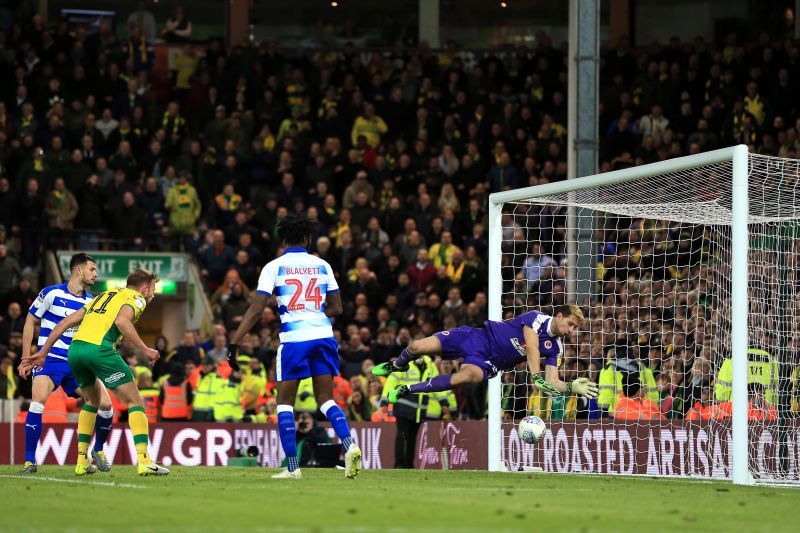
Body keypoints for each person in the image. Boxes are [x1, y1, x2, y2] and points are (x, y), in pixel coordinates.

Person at [227, 214, 362, 479]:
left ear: (283, 240)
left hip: (294, 340)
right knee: (325, 399)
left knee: (284, 404)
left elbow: (256, 309)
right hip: (323, 335)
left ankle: (292, 468)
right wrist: (314, 311)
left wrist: (235, 341)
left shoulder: (274, 267)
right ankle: (350, 445)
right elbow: (337, 308)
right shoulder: (322, 265)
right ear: (307, 238)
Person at [22, 269, 169, 476]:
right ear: (144, 288)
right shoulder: (136, 299)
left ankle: (82, 461)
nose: (152, 295)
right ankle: (144, 460)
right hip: (99, 349)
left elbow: (64, 323)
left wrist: (42, 352)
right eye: (152, 290)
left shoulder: (103, 296)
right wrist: (146, 349)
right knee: (135, 401)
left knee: (91, 402)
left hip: (75, 351)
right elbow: (121, 322)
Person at [373, 304, 599, 404]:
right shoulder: (537, 317)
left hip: (488, 361)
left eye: (575, 328)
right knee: (416, 347)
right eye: (570, 324)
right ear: (559, 316)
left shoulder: (556, 347)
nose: (571, 331)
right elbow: (531, 345)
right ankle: (397, 365)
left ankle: (406, 389)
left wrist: (569, 387)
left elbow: (551, 382)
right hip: (476, 337)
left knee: (464, 378)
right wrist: (536, 376)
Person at [17, 253, 115, 475]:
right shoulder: (50, 293)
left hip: (77, 363)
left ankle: (97, 450)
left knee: (106, 405)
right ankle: (29, 461)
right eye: (92, 269)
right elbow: (30, 321)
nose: (96, 274)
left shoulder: (91, 303)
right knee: (37, 402)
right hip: (49, 360)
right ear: (78, 271)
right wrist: (26, 357)